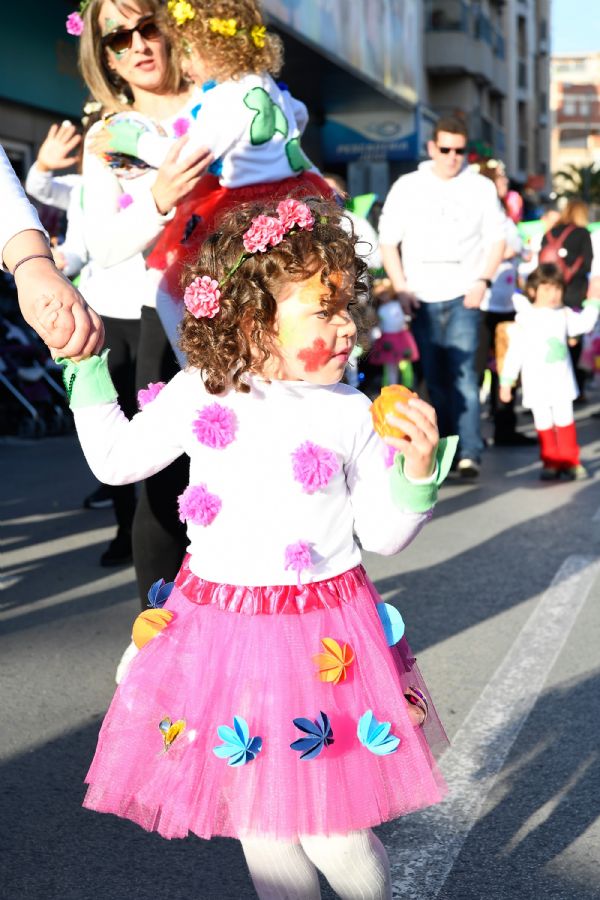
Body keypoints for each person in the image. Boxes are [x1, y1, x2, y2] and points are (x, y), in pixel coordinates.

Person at [54, 197, 456, 900]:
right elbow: (117, 460)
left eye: (347, 311)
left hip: (325, 642)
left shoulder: (352, 412)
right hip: (220, 631)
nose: (346, 330)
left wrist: (418, 476)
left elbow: (386, 535)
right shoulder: (199, 391)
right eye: (323, 313)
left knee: (335, 832)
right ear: (252, 321)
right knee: (260, 825)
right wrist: (86, 371)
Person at [77, 0, 213, 599]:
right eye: (118, 37)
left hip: (242, 317)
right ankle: (163, 641)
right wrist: (158, 199)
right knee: (164, 486)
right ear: (104, 54)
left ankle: (262, 633)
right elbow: (102, 245)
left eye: (147, 26)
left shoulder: (222, 103)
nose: (137, 44)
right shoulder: (107, 135)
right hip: (153, 319)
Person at [93, 0, 332, 307]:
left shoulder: (221, 97)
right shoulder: (265, 82)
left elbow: (190, 157)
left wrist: (137, 142)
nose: (185, 66)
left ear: (210, 49)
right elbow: (298, 115)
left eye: (187, 52)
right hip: (287, 195)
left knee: (174, 288)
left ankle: (195, 356)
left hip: (242, 204)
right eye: (119, 39)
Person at [378, 115, 505, 478]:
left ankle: (469, 452)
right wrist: (400, 287)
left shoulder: (480, 187)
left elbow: (497, 239)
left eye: (459, 150)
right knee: (433, 380)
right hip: (421, 297)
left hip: (465, 293)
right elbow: (388, 240)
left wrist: (482, 280)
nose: (452, 156)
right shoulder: (408, 185)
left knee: (465, 378)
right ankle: (445, 450)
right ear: (432, 147)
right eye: (445, 148)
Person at [1, 143, 103, 358]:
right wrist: (43, 167)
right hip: (96, 293)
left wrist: (35, 266)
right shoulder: (80, 188)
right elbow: (39, 187)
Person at [499, 264, 599, 481]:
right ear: (534, 291)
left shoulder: (564, 314)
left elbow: (584, 324)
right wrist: (507, 381)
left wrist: (593, 301)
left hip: (561, 382)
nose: (553, 295)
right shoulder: (526, 318)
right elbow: (515, 352)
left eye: (557, 289)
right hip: (536, 383)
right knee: (543, 422)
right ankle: (551, 461)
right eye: (546, 289)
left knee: (565, 420)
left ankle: (570, 461)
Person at [473, 158, 534, 447]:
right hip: (483, 305)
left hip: (507, 305)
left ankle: (505, 428)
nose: (506, 183)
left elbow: (519, 249)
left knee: (506, 370)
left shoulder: (507, 216)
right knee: (475, 372)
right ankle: (470, 435)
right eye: (500, 179)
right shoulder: (480, 214)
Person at [539, 199, 594, 401]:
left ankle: (548, 388)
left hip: (548, 293)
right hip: (574, 294)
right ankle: (574, 389)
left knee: (548, 341)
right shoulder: (582, 234)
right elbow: (587, 264)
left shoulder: (550, 233)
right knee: (573, 341)